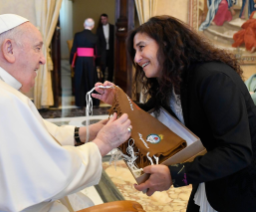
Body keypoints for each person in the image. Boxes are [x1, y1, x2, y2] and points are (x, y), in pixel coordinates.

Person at [0, 14, 132, 212]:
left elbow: (31, 134)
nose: (42, 60)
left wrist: (85, 133)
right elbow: (51, 175)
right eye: (37, 48)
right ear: (9, 49)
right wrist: (103, 143)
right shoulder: (1, 99)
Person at [93, 15, 256, 212]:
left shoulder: (213, 79)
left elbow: (237, 152)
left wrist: (175, 174)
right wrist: (116, 99)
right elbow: (148, 116)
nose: (136, 58)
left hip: (241, 189)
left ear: (166, 44)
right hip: (209, 180)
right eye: (135, 51)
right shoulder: (173, 83)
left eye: (142, 47)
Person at [70, 18, 99, 108]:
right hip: (90, 62)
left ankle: (80, 103)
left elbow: (74, 50)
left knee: (79, 80)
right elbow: (97, 53)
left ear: (84, 24)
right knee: (91, 80)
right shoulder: (95, 37)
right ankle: (92, 102)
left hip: (80, 61)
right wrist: (98, 64)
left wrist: (72, 62)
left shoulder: (77, 35)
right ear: (93, 26)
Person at [96, 13, 115, 82]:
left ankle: (110, 80)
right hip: (103, 51)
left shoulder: (113, 27)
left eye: (104, 19)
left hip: (111, 50)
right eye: (102, 19)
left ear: (107, 19)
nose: (103, 20)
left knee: (111, 66)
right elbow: (97, 41)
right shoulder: (99, 29)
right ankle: (102, 80)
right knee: (103, 66)